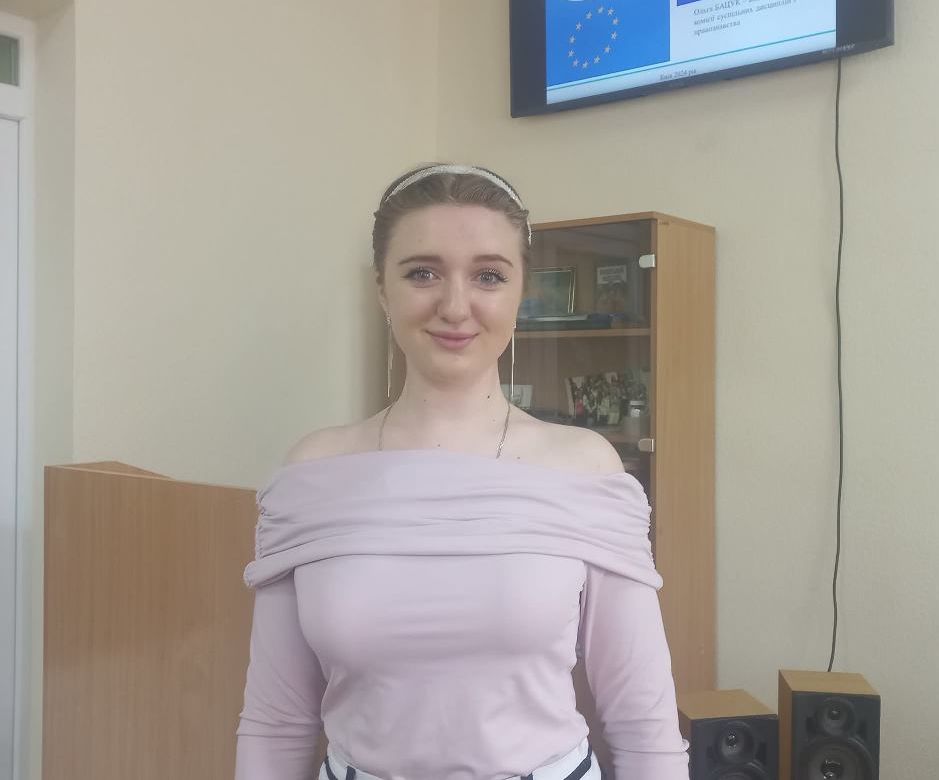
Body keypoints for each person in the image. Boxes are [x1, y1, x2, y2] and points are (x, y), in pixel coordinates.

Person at [235, 164, 689, 780]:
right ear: (381, 290)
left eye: (488, 276)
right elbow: (277, 725)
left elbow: (644, 727)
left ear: (520, 292)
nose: (455, 306)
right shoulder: (313, 475)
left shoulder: (586, 470)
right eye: (422, 273)